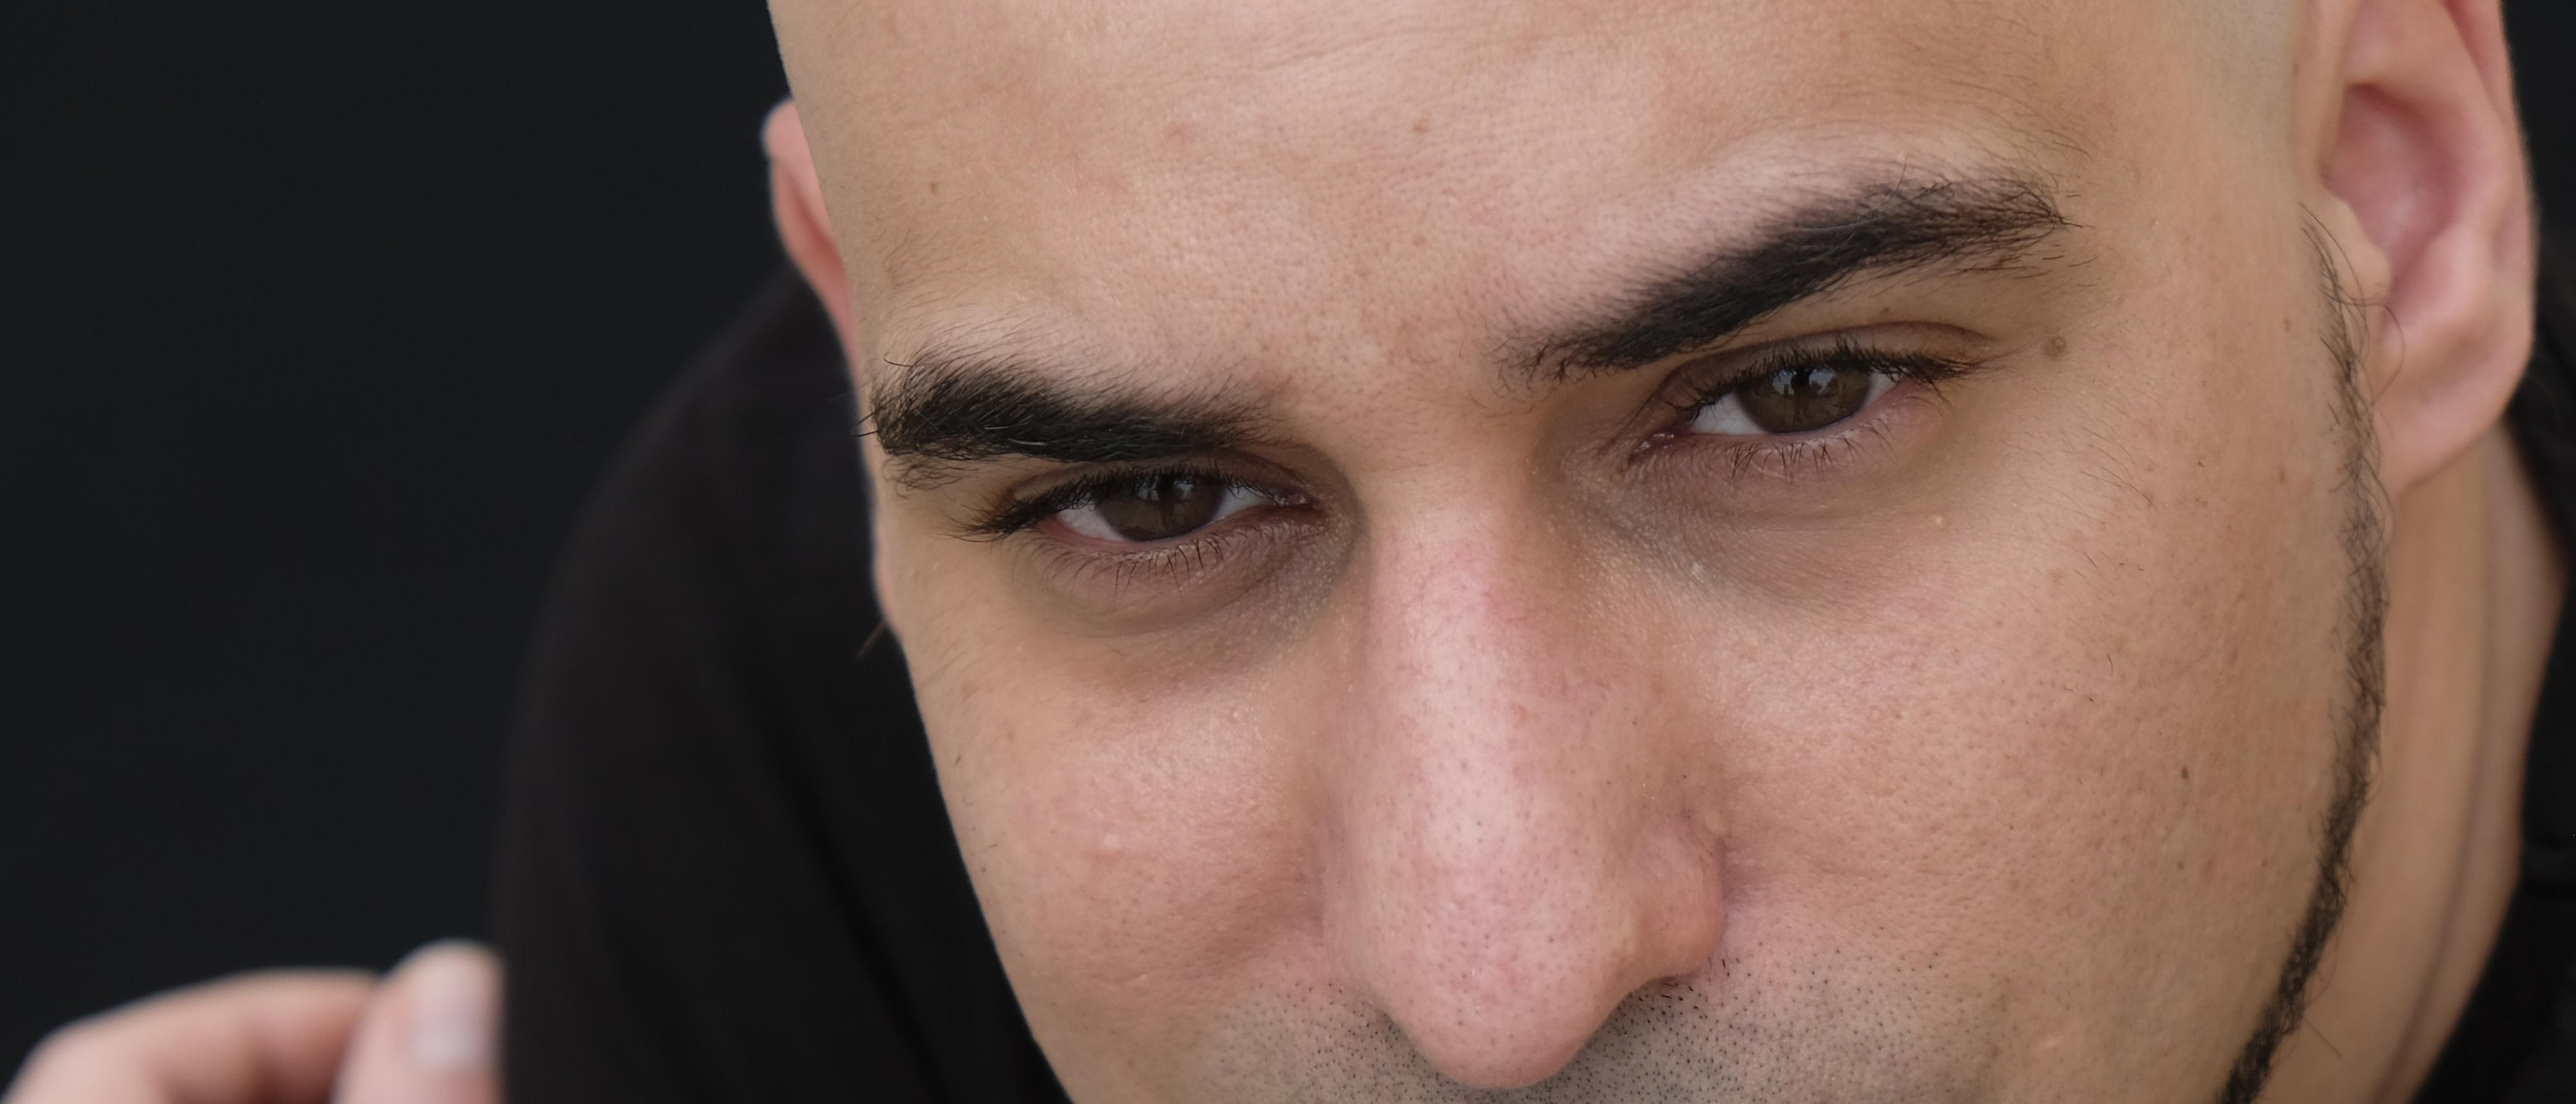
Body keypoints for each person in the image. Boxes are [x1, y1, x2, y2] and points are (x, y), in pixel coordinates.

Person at [11, 0, 2574, 1099]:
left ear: (2396, 202)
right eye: (1151, 502)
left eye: (1791, 395)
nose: (1493, 974)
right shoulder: (788, 729)